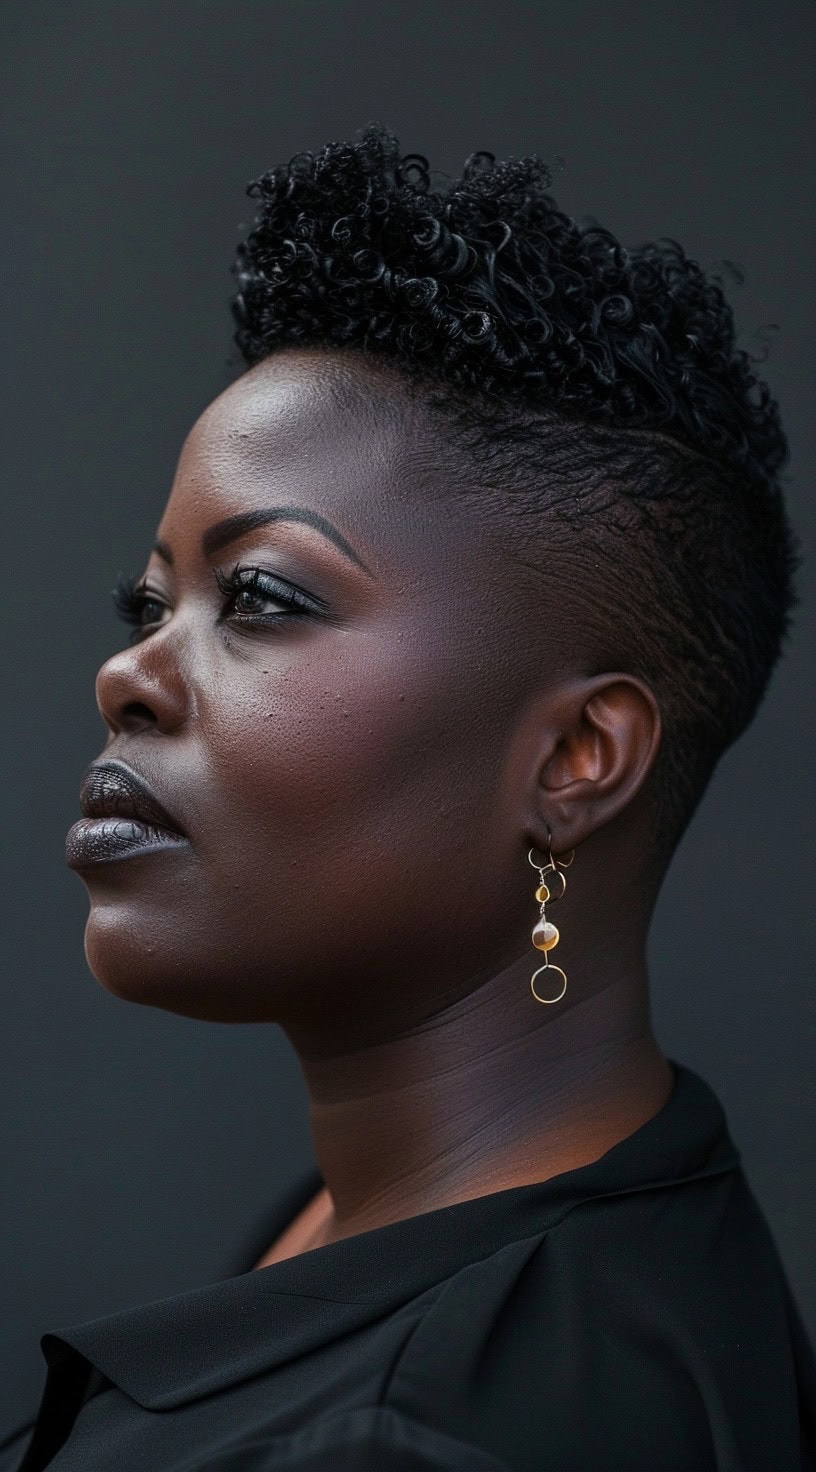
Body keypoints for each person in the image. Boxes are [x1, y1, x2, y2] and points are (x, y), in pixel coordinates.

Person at [3, 123, 813, 1471]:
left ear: (575, 761)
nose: (127, 675)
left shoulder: (428, 1435)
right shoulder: (390, 1229)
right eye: (150, 602)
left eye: (258, 597)